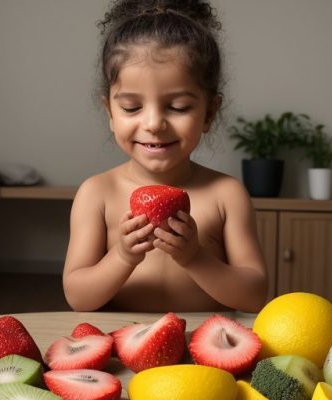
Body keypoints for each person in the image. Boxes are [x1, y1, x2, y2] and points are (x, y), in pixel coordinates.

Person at [63, 0, 267, 313]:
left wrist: (195, 257)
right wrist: (123, 256)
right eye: (131, 108)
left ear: (209, 112)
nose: (154, 124)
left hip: (203, 349)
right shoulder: (97, 193)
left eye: (179, 107)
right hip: (123, 349)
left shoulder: (227, 195)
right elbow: (78, 297)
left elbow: (254, 295)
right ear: (110, 112)